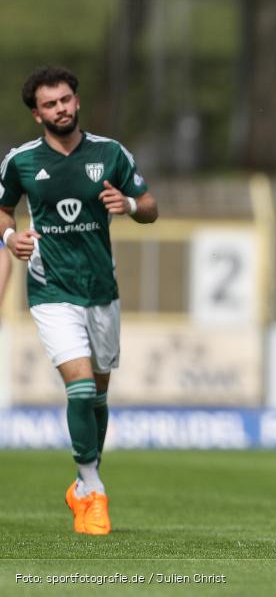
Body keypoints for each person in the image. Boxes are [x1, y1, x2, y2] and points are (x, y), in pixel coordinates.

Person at [0, 66, 158, 535]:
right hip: (51, 289)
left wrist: (128, 206)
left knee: (99, 394)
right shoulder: (21, 161)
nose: (61, 109)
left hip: (101, 290)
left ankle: (81, 484)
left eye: (66, 99)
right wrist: (11, 237)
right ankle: (93, 486)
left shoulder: (110, 154)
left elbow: (150, 206)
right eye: (50, 104)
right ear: (37, 114)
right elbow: (2, 209)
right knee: (81, 387)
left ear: (77, 101)